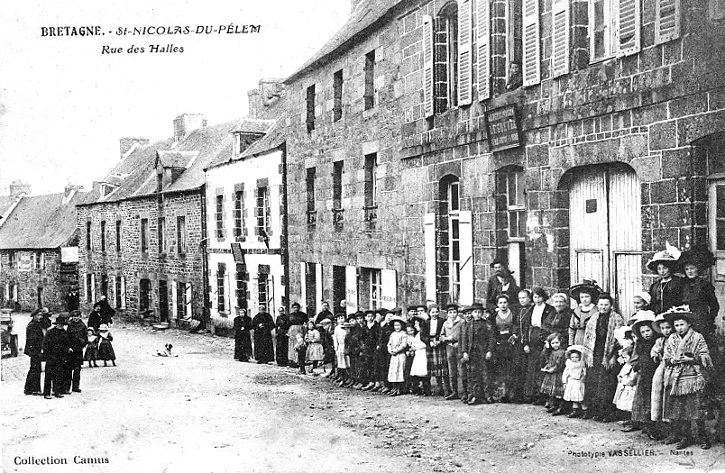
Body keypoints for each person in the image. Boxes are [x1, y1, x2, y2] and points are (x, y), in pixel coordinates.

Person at [662, 306, 712, 450]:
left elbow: (706, 356)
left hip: (694, 377)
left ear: (689, 324)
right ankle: (686, 437)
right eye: (676, 325)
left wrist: (693, 359)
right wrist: (673, 360)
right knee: (681, 410)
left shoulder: (698, 337)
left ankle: (703, 437)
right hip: (677, 378)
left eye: (682, 324)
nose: (679, 328)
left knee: (697, 409)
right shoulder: (672, 338)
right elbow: (666, 357)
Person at [581, 293, 624, 422]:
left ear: (611, 306)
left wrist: (612, 357)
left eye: (606, 305)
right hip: (595, 353)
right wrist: (588, 355)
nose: (603, 307)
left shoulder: (616, 318)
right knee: (593, 382)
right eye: (601, 304)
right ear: (597, 305)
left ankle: (607, 413)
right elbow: (588, 337)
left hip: (608, 354)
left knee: (606, 384)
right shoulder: (594, 317)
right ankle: (594, 411)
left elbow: (619, 340)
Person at [521, 287, 556, 404]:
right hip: (532, 337)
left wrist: (547, 339)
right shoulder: (530, 309)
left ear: (544, 297)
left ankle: (544, 395)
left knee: (543, 365)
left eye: (539, 296)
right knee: (532, 367)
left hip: (544, 337)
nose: (537, 299)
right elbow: (525, 327)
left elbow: (550, 325)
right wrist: (525, 342)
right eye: (535, 297)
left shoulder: (549, 309)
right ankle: (533, 394)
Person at [627, 311, 660, 434]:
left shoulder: (657, 342)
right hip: (644, 373)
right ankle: (643, 423)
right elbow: (634, 359)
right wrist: (637, 367)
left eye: (648, 330)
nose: (646, 334)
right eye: (643, 332)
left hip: (655, 373)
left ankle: (655, 426)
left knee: (654, 399)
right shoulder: (639, 343)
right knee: (643, 398)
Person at [461, 304, 495, 405]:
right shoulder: (468, 325)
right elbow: (464, 339)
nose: (477, 314)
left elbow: (491, 339)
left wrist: (489, 351)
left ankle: (488, 396)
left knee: (485, 374)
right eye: (475, 312)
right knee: (473, 375)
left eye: (480, 312)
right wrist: (465, 352)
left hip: (483, 353)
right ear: (472, 313)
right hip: (472, 353)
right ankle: (475, 396)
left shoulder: (487, 324)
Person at [650, 312, 674, 441]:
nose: (666, 331)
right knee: (657, 392)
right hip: (662, 368)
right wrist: (656, 355)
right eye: (663, 328)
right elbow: (654, 352)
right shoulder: (660, 341)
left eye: (668, 328)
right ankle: (658, 425)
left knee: (669, 395)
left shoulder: (675, 339)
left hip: (673, 368)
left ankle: (670, 427)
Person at [493, 295, 519, 402]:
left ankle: (511, 394)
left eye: (505, 302)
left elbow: (516, 326)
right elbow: (492, 330)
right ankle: (502, 394)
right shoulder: (494, 315)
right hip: (499, 343)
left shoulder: (513, 314)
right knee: (501, 369)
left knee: (511, 369)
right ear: (497, 304)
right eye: (500, 303)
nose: (503, 305)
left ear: (508, 303)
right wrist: (496, 340)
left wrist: (514, 335)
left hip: (510, 343)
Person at [647, 247, 684, 314]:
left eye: (665, 268)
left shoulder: (679, 282)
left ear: (670, 268)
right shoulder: (655, 286)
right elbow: (652, 304)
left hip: (675, 315)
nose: (662, 271)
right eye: (659, 269)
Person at [43, 315, 70, 399]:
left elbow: (67, 345)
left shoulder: (65, 333)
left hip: (61, 357)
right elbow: (45, 344)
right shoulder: (50, 332)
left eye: (62, 324)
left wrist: (65, 353)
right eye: (59, 324)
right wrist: (48, 354)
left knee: (59, 374)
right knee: (48, 375)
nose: (61, 326)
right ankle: (47, 393)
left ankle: (57, 391)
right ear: (56, 324)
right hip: (51, 356)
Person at [441, 304, 464, 400]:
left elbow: (464, 334)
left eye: (454, 312)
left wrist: (457, 341)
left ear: (457, 313)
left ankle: (464, 391)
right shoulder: (446, 324)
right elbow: (441, 335)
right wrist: (445, 338)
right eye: (450, 312)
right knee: (451, 370)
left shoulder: (462, 322)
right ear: (447, 314)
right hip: (449, 347)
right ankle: (454, 391)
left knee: (461, 369)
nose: (453, 314)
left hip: (459, 346)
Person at [568, 281, 601, 346]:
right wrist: (571, 344)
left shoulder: (597, 310)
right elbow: (571, 329)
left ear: (591, 297)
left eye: (587, 297)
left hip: (592, 341)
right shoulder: (576, 310)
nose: (584, 299)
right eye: (582, 297)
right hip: (578, 340)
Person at [540, 333, 567, 415]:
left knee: (559, 392)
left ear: (560, 342)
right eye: (552, 343)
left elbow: (560, 364)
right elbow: (547, 358)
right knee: (552, 392)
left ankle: (561, 407)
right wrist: (546, 348)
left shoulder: (562, 352)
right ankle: (554, 405)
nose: (555, 345)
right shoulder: (551, 352)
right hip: (551, 373)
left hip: (558, 373)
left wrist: (554, 369)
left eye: (557, 343)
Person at [426, 305, 449, 396]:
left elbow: (444, 333)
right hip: (431, 345)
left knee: (443, 367)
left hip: (440, 345)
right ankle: (439, 387)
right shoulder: (426, 323)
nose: (434, 314)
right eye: (432, 312)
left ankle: (446, 389)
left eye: (436, 312)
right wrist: (429, 342)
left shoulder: (442, 321)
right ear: (429, 313)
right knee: (434, 367)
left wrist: (439, 341)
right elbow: (423, 335)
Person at [65, 310, 88, 393]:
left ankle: (76, 387)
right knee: (68, 369)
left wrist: (83, 343)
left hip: (78, 350)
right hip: (71, 350)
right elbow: (66, 337)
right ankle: (67, 387)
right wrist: (68, 347)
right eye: (74, 316)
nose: (76, 318)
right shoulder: (69, 325)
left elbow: (86, 337)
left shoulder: (83, 326)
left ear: (80, 316)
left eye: (77, 316)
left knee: (77, 369)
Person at [613, 346, 638, 422]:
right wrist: (620, 378)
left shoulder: (633, 367)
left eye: (626, 357)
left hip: (630, 387)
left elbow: (633, 378)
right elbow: (621, 374)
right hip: (624, 387)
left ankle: (631, 419)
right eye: (623, 358)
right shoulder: (626, 365)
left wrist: (626, 381)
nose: (624, 359)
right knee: (624, 403)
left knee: (629, 403)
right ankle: (625, 418)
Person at [24, 310, 45, 395]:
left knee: (35, 368)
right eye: (38, 315)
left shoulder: (36, 324)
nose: (40, 317)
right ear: (34, 316)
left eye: (41, 315)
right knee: (35, 368)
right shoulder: (32, 325)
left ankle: (29, 389)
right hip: (34, 350)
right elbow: (33, 339)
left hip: (35, 349)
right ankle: (33, 389)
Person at [562, 345, 587, 418]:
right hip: (571, 381)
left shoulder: (581, 364)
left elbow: (584, 373)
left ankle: (585, 411)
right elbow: (565, 373)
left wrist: (583, 377)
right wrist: (564, 382)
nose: (574, 359)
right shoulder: (569, 365)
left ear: (579, 357)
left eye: (576, 357)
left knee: (580, 397)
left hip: (578, 382)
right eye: (573, 357)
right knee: (573, 397)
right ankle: (575, 411)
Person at [373, 310, 394, 393]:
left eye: (391, 316)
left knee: (389, 367)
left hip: (390, 349)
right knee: (383, 366)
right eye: (387, 317)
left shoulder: (394, 328)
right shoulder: (383, 327)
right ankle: (385, 384)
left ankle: (390, 385)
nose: (389, 318)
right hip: (383, 350)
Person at [387, 317, 408, 396]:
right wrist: (390, 350)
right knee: (393, 370)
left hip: (400, 354)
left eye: (398, 325)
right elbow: (389, 343)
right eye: (395, 325)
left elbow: (403, 345)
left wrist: (396, 350)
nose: (397, 327)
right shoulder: (393, 334)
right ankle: (394, 388)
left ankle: (399, 389)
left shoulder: (404, 334)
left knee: (399, 370)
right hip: (394, 355)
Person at [360, 310, 379, 390]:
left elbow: (378, 337)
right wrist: (363, 345)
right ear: (365, 318)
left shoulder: (376, 326)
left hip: (374, 348)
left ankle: (375, 382)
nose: (370, 318)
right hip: (367, 348)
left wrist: (377, 345)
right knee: (368, 364)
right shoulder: (364, 327)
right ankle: (369, 381)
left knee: (375, 364)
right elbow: (362, 337)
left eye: (371, 316)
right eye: (368, 316)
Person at [287, 302, 308, 367]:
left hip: (300, 329)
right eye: (294, 307)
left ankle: (300, 360)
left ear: (299, 308)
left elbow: (306, 322)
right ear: (292, 308)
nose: (296, 309)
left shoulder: (303, 314)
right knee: (292, 344)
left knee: (300, 343)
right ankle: (293, 360)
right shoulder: (290, 315)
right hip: (292, 330)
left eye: (297, 307)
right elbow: (287, 324)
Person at [333, 313, 351, 386]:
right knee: (341, 364)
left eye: (342, 318)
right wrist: (336, 347)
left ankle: (349, 379)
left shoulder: (347, 327)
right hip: (340, 347)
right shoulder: (337, 328)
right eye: (339, 318)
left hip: (346, 347)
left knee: (348, 363)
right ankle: (343, 379)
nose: (341, 320)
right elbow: (335, 338)